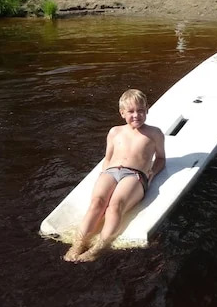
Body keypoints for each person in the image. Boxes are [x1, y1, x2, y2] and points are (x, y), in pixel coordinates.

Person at [64, 89, 166, 262]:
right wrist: (104, 176)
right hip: (111, 171)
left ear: (147, 109)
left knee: (115, 205)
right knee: (97, 203)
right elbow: (108, 157)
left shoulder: (154, 133)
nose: (136, 115)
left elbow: (161, 158)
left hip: (134, 175)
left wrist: (153, 173)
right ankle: (78, 244)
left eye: (141, 110)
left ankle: (98, 248)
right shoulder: (115, 132)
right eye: (131, 111)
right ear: (122, 113)